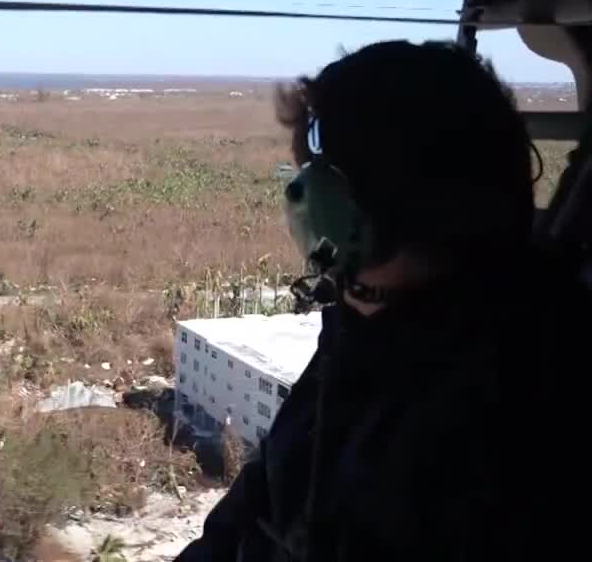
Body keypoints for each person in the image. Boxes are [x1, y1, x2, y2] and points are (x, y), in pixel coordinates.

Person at [174, 40, 590, 562]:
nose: (302, 190)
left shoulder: (519, 406)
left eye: (322, 169)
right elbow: (255, 508)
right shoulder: (363, 333)